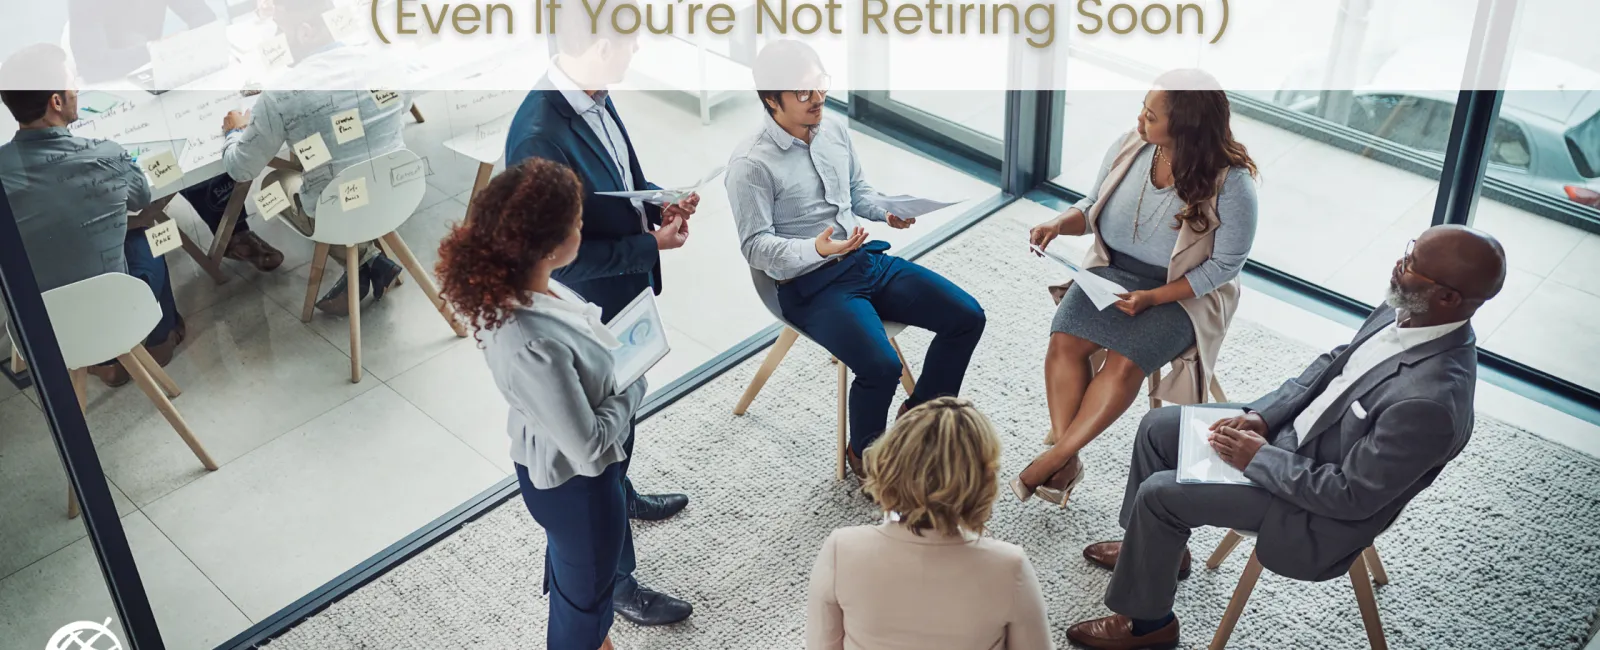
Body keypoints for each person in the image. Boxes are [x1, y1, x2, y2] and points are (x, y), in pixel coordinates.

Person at [1065, 225, 1507, 649]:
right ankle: (1154, 554)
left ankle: (1148, 626)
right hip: (1285, 436)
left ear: (1448, 296)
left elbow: (1350, 495)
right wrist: (1262, 416)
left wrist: (1257, 458)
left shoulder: (1429, 404)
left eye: (1412, 262)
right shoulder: (1409, 305)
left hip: (1311, 505)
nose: (1399, 263)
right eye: (1409, 249)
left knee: (1160, 494)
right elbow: (1333, 364)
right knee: (1159, 429)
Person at [503, 1, 696, 626]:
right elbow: (558, 260)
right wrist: (649, 245)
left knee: (619, 441)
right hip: (588, 312)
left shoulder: (593, 93)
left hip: (621, 298)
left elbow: (616, 180)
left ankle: (624, 492)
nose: (635, 50)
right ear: (599, 45)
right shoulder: (538, 135)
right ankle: (617, 583)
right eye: (629, 41)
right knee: (597, 450)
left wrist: (657, 204)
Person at [726, 40, 987, 478]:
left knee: (967, 316)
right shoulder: (750, 164)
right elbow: (756, 247)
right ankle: (863, 453)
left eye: (820, 85)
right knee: (882, 366)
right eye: (803, 93)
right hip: (807, 285)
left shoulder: (833, 130)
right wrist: (816, 249)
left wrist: (885, 210)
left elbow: (858, 192)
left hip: (864, 260)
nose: (818, 99)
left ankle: (919, 418)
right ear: (772, 100)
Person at [1015, 69, 1259, 507]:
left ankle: (1054, 457)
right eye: (1144, 110)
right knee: (1064, 342)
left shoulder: (1234, 183)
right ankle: (1065, 463)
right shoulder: (1132, 145)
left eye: (1151, 114)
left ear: (1185, 126)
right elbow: (1091, 208)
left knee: (1124, 363)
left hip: (1184, 296)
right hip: (1110, 272)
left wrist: (1153, 298)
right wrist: (1058, 223)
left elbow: (1224, 267)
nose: (1140, 119)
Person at [436, 158, 646, 650]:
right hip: (580, 489)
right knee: (582, 609)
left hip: (560, 477)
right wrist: (632, 387)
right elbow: (588, 445)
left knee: (581, 594)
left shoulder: (525, 283)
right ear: (551, 245)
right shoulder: (529, 339)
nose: (583, 227)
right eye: (578, 222)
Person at [0, 43, 183, 387]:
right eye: (72, 81)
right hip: (116, 317)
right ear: (56, 101)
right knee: (144, 236)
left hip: (39, 335)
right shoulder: (105, 155)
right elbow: (142, 198)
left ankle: (105, 362)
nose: (77, 88)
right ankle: (158, 342)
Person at [805, 397, 1053, 650]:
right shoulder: (1009, 566)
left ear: (887, 464)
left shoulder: (842, 549)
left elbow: (821, 644)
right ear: (983, 482)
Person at [217, 0, 406, 315]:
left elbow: (241, 168)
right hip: (397, 191)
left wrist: (235, 133)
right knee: (334, 171)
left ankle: (368, 260)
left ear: (304, 30)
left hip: (340, 208)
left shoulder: (280, 94)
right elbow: (400, 107)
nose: (278, 40)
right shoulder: (386, 60)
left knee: (274, 185)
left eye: (281, 30)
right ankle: (372, 260)